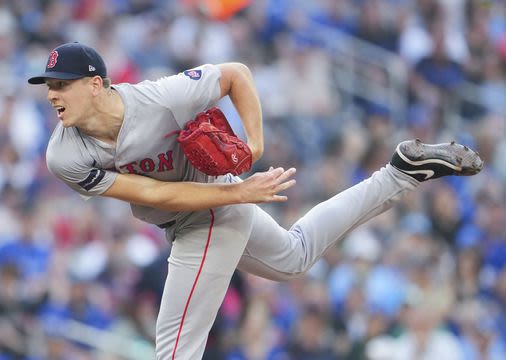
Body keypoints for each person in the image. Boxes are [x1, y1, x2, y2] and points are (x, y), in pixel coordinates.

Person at [28, 42, 483, 359]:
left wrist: (256, 145)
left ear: (95, 84)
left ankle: (396, 173)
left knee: (174, 350)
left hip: (211, 211)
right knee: (293, 258)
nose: (52, 94)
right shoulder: (63, 153)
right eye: (48, 85)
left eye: (62, 84)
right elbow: (149, 192)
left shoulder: (160, 99)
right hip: (209, 202)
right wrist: (236, 192)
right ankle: (399, 173)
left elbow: (236, 75)